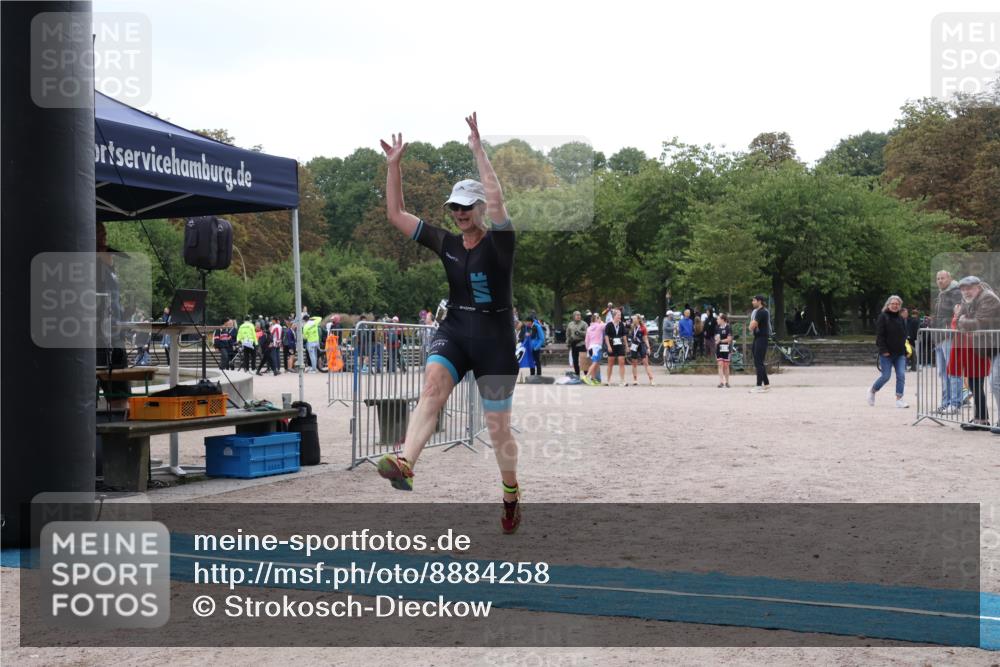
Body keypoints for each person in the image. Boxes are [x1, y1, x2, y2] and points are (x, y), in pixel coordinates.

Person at [375, 113, 522, 533]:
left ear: (480, 208)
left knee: (498, 432)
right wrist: (394, 166)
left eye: (465, 206)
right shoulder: (445, 242)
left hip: (495, 338)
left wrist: (478, 151)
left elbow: (498, 201)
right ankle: (405, 461)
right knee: (432, 387)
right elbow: (396, 213)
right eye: (453, 207)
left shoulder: (501, 242)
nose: (458, 213)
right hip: (456, 330)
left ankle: (510, 492)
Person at [951, 277, 1000, 429]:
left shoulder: (988, 298)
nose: (966, 291)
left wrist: (963, 320)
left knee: (995, 382)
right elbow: (959, 320)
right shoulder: (968, 299)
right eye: (963, 288)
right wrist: (963, 320)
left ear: (978, 287)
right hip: (990, 346)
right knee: (989, 382)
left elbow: (980, 322)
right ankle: (981, 420)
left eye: (969, 288)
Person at [867, 295, 909, 408]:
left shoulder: (901, 318)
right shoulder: (883, 317)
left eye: (897, 304)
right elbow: (880, 336)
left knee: (901, 375)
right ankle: (872, 390)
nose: (895, 306)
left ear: (900, 306)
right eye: (893, 303)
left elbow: (903, 336)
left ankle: (899, 399)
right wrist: (883, 350)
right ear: (888, 305)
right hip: (887, 353)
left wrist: (905, 350)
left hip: (900, 353)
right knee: (886, 376)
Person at [933, 270, 963, 415]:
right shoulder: (941, 294)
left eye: (942, 278)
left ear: (949, 278)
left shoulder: (956, 292)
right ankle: (946, 403)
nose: (940, 280)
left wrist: (946, 325)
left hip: (949, 336)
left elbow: (959, 312)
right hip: (939, 337)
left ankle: (955, 403)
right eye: (938, 278)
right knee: (943, 372)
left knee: (953, 371)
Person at [748, 295, 771, 393]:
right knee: (758, 360)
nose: (752, 302)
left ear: (759, 301)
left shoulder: (762, 312)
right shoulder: (758, 312)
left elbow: (752, 325)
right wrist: (751, 325)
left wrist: (751, 326)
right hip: (757, 338)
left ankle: (759, 385)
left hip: (762, 338)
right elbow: (752, 325)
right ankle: (766, 384)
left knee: (758, 362)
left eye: (754, 301)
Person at [629, 314, 655, 386]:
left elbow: (645, 338)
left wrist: (648, 348)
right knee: (634, 363)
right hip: (634, 345)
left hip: (641, 345)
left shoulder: (643, 328)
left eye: (634, 319)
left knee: (645, 363)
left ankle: (651, 379)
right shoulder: (632, 327)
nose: (633, 320)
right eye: (633, 319)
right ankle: (635, 380)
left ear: (638, 319)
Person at [604, 309, 628, 386]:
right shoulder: (609, 325)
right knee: (610, 363)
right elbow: (606, 336)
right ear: (614, 316)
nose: (620, 317)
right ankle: (608, 380)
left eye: (620, 315)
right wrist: (608, 346)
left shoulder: (621, 324)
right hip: (611, 344)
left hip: (620, 344)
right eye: (618, 315)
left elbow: (624, 335)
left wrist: (627, 346)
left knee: (622, 362)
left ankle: (622, 380)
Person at [583, 313, 605, 386]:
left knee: (594, 363)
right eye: (598, 318)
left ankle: (593, 379)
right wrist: (601, 321)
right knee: (595, 363)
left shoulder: (589, 328)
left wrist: (587, 349)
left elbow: (586, 340)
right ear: (596, 319)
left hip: (590, 347)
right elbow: (606, 325)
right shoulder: (600, 326)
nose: (600, 319)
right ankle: (586, 377)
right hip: (597, 347)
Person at [565, 310, 588, 378]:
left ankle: (586, 376)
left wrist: (580, 332)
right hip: (573, 343)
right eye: (577, 315)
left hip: (582, 343)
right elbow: (568, 334)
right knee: (575, 360)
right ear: (574, 316)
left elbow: (588, 333)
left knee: (583, 360)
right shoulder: (570, 324)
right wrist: (568, 343)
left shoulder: (584, 324)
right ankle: (577, 375)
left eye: (579, 315)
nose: (578, 316)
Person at [716, 313, 733, 388]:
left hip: (726, 349)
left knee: (726, 366)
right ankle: (721, 382)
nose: (717, 320)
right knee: (720, 364)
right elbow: (716, 338)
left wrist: (721, 341)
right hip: (719, 349)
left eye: (718, 319)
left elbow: (729, 339)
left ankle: (727, 382)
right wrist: (716, 340)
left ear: (722, 319)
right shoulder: (717, 328)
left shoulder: (728, 328)